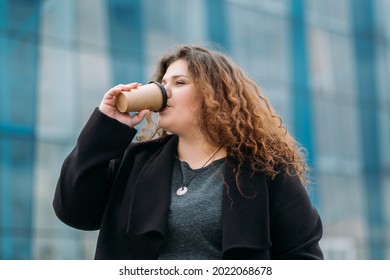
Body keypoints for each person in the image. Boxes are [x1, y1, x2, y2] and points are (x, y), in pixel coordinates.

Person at [53, 45, 324, 260]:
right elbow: (73, 211)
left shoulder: (265, 169)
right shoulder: (135, 162)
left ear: (214, 95)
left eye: (179, 83)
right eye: (162, 82)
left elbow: (301, 258)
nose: (162, 91)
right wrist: (106, 125)